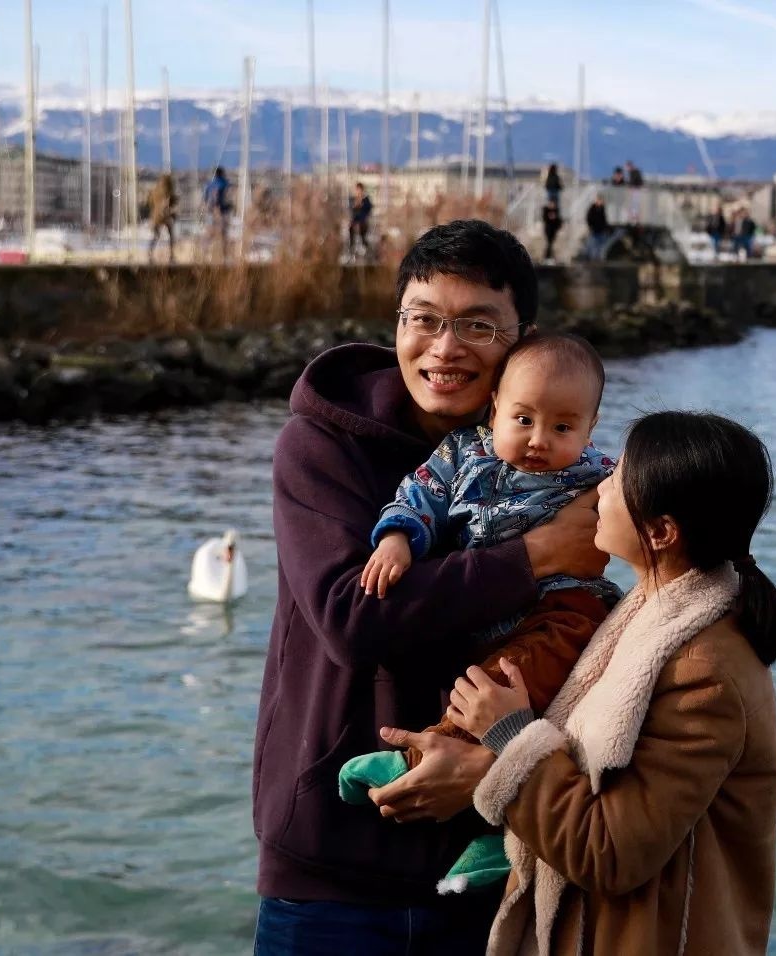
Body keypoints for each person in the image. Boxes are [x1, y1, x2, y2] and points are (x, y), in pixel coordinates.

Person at [251, 219, 609, 954]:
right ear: (397, 324)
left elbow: (595, 638)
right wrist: (536, 553)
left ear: (523, 339)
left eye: (479, 324)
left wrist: (496, 768)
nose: (445, 348)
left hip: (491, 863)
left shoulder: (561, 457)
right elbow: (352, 619)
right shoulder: (322, 446)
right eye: (424, 319)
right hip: (331, 868)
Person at [439, 410, 776, 954]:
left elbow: (611, 853)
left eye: (619, 477)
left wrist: (510, 737)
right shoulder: (653, 610)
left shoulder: (705, 673)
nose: (599, 483)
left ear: (661, 532)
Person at [343, 333, 621, 890]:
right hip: (484, 609)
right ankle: (497, 825)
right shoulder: (463, 454)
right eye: (523, 419)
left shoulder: (599, 474)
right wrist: (398, 538)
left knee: (512, 684)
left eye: (563, 428)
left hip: (562, 607)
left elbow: (653, 511)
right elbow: (419, 495)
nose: (539, 440)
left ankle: (426, 768)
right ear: (494, 408)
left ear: (589, 430)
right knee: (486, 687)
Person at [202, 166, 232, 262]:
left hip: (211, 212)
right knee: (223, 234)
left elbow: (205, 198)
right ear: (222, 173)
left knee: (209, 234)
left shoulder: (209, 184)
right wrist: (229, 206)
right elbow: (228, 197)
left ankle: (205, 254)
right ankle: (225, 256)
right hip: (221, 212)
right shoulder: (224, 183)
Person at [147, 173, 178, 263]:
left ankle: (150, 253)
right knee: (171, 235)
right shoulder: (168, 191)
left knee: (155, 235)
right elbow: (167, 203)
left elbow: (149, 202)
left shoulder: (155, 190)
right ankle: (171, 255)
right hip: (165, 215)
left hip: (155, 215)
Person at [350, 182, 375, 259]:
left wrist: (362, 205)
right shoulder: (352, 199)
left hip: (363, 221)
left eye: (359, 190)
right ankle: (352, 247)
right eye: (357, 190)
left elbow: (369, 209)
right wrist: (355, 205)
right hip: (355, 221)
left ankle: (364, 246)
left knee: (362, 229)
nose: (358, 192)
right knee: (351, 229)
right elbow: (350, 209)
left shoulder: (366, 200)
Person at [584, 195, 610, 260]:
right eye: (599, 201)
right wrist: (591, 226)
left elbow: (604, 219)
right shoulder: (592, 208)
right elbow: (589, 218)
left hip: (601, 230)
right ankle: (591, 257)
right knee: (593, 244)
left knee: (601, 245)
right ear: (597, 201)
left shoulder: (602, 208)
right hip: (595, 229)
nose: (601, 202)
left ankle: (599, 257)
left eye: (601, 201)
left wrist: (605, 227)